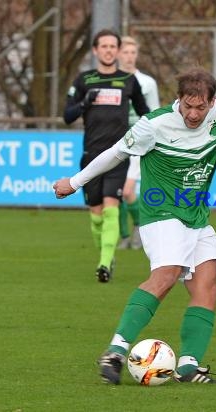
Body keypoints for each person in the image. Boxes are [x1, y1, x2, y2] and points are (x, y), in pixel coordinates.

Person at [54, 67, 216, 384]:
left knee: (208, 279)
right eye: (187, 106)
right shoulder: (155, 124)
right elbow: (115, 153)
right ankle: (115, 352)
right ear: (179, 99)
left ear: (212, 102)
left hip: (195, 214)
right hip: (160, 212)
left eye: (200, 107)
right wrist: (75, 181)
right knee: (166, 274)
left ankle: (188, 366)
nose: (193, 113)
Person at [63, 29, 150, 282]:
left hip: (118, 155)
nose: (109, 50)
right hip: (90, 156)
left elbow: (146, 113)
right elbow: (67, 116)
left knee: (112, 207)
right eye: (104, 46)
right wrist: (83, 104)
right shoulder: (83, 80)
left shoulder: (128, 81)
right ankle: (107, 253)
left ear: (118, 50)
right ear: (95, 50)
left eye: (113, 46)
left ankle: (104, 265)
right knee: (96, 215)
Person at [116, 35, 161, 250]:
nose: (129, 56)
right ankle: (125, 236)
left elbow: (154, 113)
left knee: (127, 191)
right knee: (115, 192)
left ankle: (138, 228)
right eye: (125, 52)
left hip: (137, 142)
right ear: (117, 54)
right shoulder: (111, 81)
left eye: (133, 52)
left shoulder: (147, 83)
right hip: (114, 140)